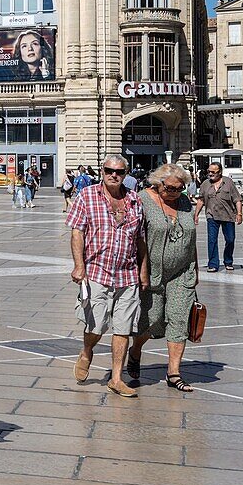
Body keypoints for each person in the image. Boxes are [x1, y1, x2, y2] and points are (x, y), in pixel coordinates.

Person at [67, 154, 146, 398]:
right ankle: (87, 351)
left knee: (123, 328)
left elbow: (140, 240)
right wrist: (79, 266)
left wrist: (144, 272)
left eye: (119, 172)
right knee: (97, 325)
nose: (114, 175)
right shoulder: (87, 196)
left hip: (127, 274)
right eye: (109, 170)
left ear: (126, 174)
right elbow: (77, 233)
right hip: (97, 273)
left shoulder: (134, 200)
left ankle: (116, 378)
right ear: (102, 171)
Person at [130, 163, 199, 392]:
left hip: (182, 273)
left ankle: (174, 373)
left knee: (179, 320)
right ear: (157, 184)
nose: (175, 193)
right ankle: (135, 350)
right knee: (150, 321)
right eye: (170, 188)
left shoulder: (185, 203)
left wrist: (195, 268)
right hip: (151, 274)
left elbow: (191, 238)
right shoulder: (142, 200)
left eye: (180, 189)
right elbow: (134, 238)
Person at [195, 162, 242, 272]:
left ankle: (228, 261)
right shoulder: (205, 184)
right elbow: (201, 200)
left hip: (228, 215)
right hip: (211, 216)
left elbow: (237, 199)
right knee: (212, 240)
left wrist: (239, 214)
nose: (210, 174)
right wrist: (196, 214)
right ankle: (213, 264)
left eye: (213, 172)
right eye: (209, 171)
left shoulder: (228, 182)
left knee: (230, 240)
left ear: (219, 172)